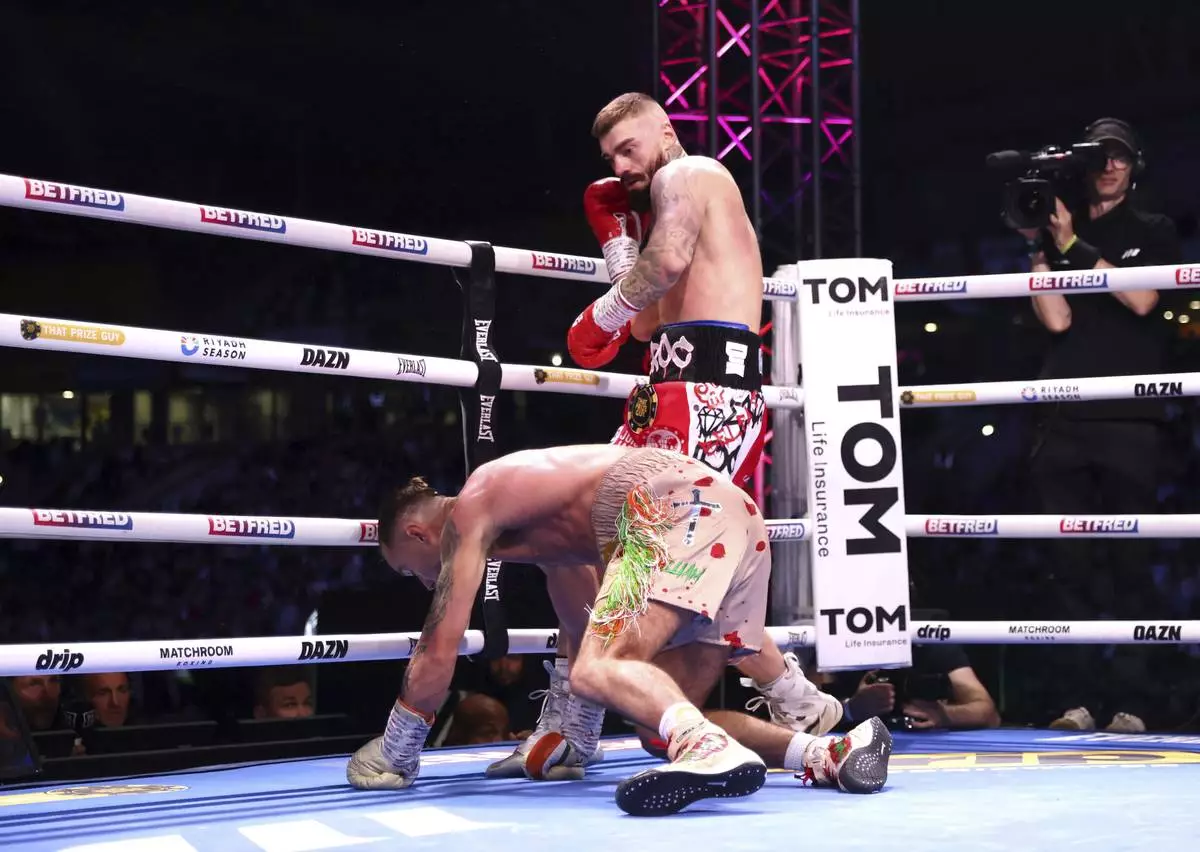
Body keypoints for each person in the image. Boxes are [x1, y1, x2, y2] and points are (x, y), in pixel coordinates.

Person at [489, 91, 840, 779]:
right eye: (610, 158)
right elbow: (646, 324)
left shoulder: (691, 172)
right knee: (574, 531)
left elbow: (668, 265)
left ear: (665, 130)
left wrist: (600, 313)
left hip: (709, 397)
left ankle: (783, 698)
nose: (621, 167)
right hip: (664, 395)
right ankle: (581, 722)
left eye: (629, 148)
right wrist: (618, 241)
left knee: (655, 561)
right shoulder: (661, 203)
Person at [346, 445, 892, 815]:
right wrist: (577, 737)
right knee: (660, 724)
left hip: (670, 509)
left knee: (604, 670)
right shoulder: (543, 532)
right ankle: (831, 754)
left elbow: (440, 645)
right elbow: (582, 622)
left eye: (408, 570)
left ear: (417, 533)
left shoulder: (474, 505)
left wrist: (397, 749)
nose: (423, 581)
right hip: (727, 516)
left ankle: (711, 743)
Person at [1016, 117, 1180, 728]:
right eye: (1101, 156)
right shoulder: (1061, 227)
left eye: (1120, 157)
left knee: (1130, 563)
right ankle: (1078, 701)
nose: (1110, 166)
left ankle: (1135, 702)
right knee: (1070, 566)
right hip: (1065, 416)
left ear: (1135, 166)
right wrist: (1040, 247)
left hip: (1129, 419)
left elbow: (1142, 298)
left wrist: (1071, 246)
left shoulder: (1154, 229)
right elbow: (1056, 319)